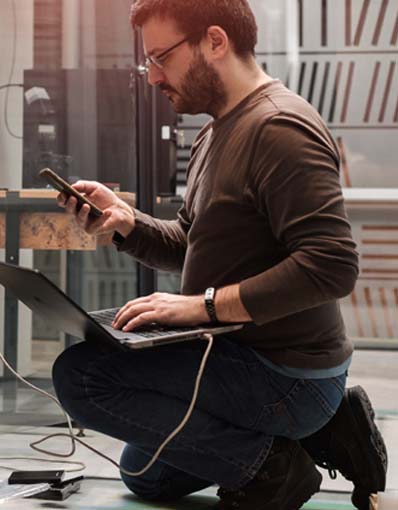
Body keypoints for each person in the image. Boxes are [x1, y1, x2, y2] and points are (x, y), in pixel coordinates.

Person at [52, 1, 387, 509]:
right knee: (143, 475)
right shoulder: (215, 130)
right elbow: (192, 240)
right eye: (148, 63)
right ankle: (329, 431)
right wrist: (127, 222)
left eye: (161, 57)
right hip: (242, 354)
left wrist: (202, 307)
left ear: (214, 41)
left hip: (284, 372)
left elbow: (331, 265)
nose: (153, 78)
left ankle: (278, 469)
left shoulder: (278, 128)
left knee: (83, 376)